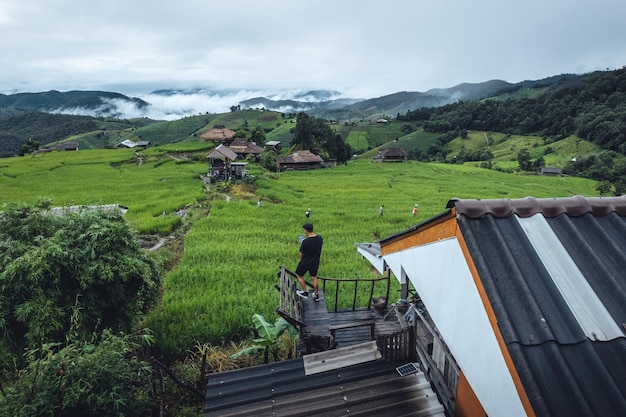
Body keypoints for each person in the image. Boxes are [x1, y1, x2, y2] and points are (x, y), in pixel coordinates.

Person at [295, 223, 323, 302]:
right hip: (315, 261)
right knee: (314, 277)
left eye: (304, 230)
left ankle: (305, 291)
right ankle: (316, 295)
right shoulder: (320, 238)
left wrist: (301, 260)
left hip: (305, 262)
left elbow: (301, 254)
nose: (304, 231)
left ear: (306, 231)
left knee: (298, 275)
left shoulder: (305, 242)